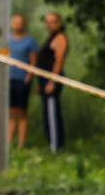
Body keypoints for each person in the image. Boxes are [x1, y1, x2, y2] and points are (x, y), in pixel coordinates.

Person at [37, 12, 69, 153]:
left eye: (53, 22)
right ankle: (52, 144)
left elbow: (59, 61)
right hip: (44, 79)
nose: (49, 25)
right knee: (47, 112)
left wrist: (52, 82)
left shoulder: (60, 38)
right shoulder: (51, 38)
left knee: (52, 113)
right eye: (47, 22)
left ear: (59, 22)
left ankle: (56, 147)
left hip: (52, 80)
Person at [7, 14, 39, 148]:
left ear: (24, 24)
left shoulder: (30, 41)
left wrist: (29, 77)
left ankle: (21, 144)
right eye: (15, 23)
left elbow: (33, 61)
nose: (17, 26)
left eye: (20, 23)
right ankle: (8, 143)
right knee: (11, 112)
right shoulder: (6, 39)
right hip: (9, 79)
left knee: (22, 112)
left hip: (22, 80)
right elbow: (3, 56)